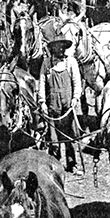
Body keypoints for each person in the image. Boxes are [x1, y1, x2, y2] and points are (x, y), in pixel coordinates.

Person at [37, 35, 82, 173]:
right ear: (53, 48)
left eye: (62, 47)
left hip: (67, 105)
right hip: (52, 105)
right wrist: (42, 102)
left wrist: (75, 98)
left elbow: (77, 82)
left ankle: (72, 163)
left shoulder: (71, 62)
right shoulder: (47, 63)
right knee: (52, 136)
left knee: (69, 135)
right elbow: (42, 83)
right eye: (57, 47)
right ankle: (54, 164)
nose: (60, 49)